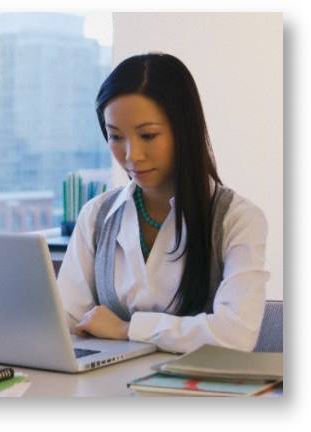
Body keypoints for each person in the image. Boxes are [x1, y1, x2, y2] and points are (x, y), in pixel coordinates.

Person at [56, 53, 270, 353]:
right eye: (115, 136)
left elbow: (235, 335)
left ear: (184, 130)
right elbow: (66, 319)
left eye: (148, 135)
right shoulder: (96, 215)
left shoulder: (237, 219)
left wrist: (127, 329)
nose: (132, 155)